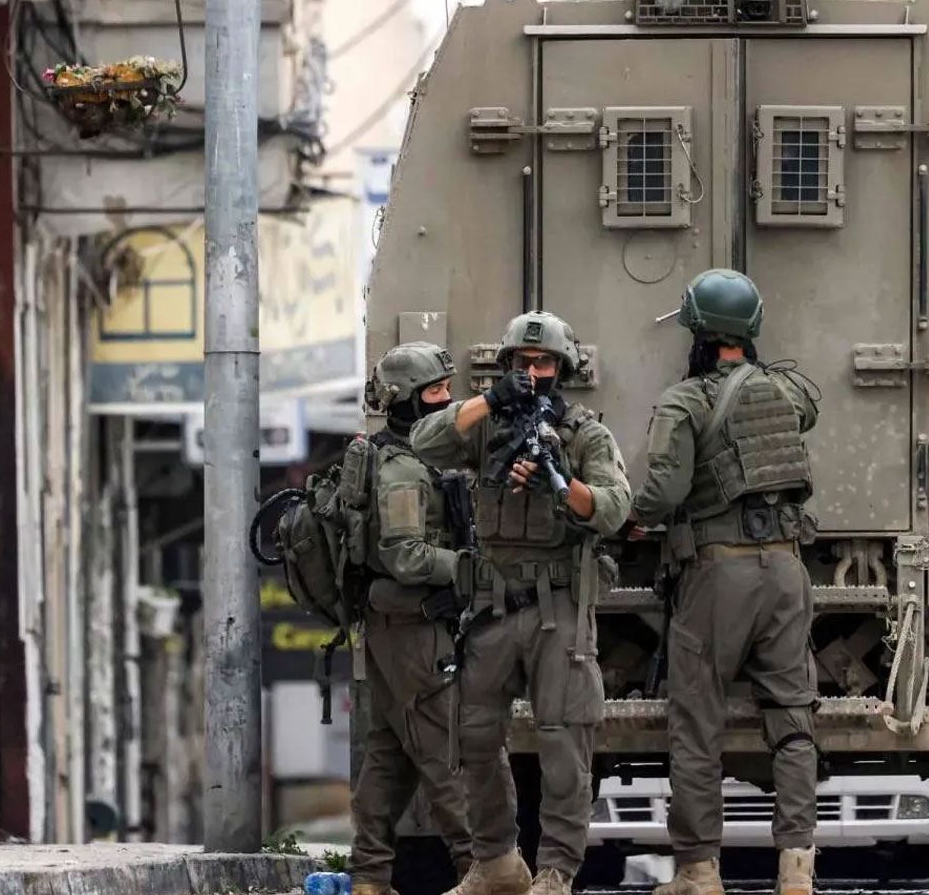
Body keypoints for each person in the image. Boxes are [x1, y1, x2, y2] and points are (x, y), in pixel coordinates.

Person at [411, 311, 632, 895]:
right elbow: (425, 441)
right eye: (523, 363)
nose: (533, 372)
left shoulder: (584, 434)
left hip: (558, 609)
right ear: (507, 366)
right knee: (474, 736)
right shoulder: (487, 428)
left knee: (563, 743)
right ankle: (497, 863)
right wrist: (490, 400)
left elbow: (613, 508)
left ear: (563, 369)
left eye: (544, 363)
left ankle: (556, 871)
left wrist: (562, 484)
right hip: (491, 608)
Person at [628, 269, 820, 895]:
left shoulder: (684, 401)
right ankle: (796, 869)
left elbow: (664, 492)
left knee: (697, 726)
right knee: (792, 721)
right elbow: (806, 408)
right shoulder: (786, 392)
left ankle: (699, 870)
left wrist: (632, 517)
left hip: (718, 574)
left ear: (697, 333)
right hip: (786, 569)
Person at [350, 341, 477, 895]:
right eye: (435, 392)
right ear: (403, 400)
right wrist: (470, 568)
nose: (446, 400)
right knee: (445, 750)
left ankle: (369, 875)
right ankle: (480, 868)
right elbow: (406, 555)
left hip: (395, 627)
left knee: (389, 754)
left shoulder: (412, 457)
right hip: (412, 630)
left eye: (448, 389)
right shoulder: (403, 470)